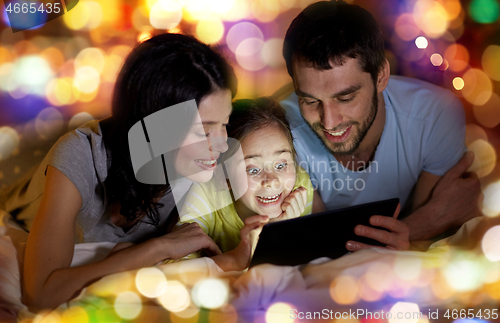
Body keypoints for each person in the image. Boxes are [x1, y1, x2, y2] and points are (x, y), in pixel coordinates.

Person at [0, 33, 237, 311]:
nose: (221, 144)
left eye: (225, 123)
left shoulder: (196, 167)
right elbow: (41, 294)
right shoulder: (81, 154)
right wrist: (158, 248)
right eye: (203, 131)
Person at [280, 0, 482, 250]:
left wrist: (419, 230)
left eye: (345, 98)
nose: (329, 121)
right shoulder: (281, 130)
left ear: (381, 77)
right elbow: (317, 248)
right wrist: (429, 220)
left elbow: (425, 244)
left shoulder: (435, 115)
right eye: (309, 100)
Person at [177, 98, 326, 271]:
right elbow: (173, 270)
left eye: (280, 165)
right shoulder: (206, 195)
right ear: (224, 177)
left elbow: (321, 244)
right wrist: (236, 258)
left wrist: (282, 231)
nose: (271, 180)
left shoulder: (300, 185)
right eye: (253, 170)